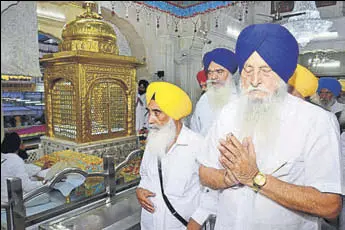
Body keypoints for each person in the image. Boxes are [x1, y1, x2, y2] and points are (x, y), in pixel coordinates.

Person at [198, 23, 343, 230]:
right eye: (248, 69)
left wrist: (256, 178)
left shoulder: (316, 121)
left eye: (265, 70)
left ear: (284, 73)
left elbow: (330, 204)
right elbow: (204, 172)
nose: (255, 80)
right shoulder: (228, 113)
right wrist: (227, 178)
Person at [136, 82, 210, 230]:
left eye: (157, 112)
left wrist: (196, 222)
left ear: (174, 115)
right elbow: (145, 175)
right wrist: (140, 189)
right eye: (149, 112)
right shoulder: (153, 142)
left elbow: (211, 192)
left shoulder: (198, 145)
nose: (150, 120)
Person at [190, 48, 238, 136]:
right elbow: (194, 132)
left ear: (230, 74)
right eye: (210, 72)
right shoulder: (203, 100)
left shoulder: (241, 100)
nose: (213, 77)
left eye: (219, 72)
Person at [1, 132, 44, 201]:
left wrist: (36, 176)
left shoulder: (4, 157)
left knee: (33, 178)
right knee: (47, 196)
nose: (24, 146)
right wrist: (45, 182)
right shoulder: (16, 160)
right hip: (14, 202)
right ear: (17, 146)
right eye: (21, 144)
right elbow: (27, 187)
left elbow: (23, 170)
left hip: (3, 199)